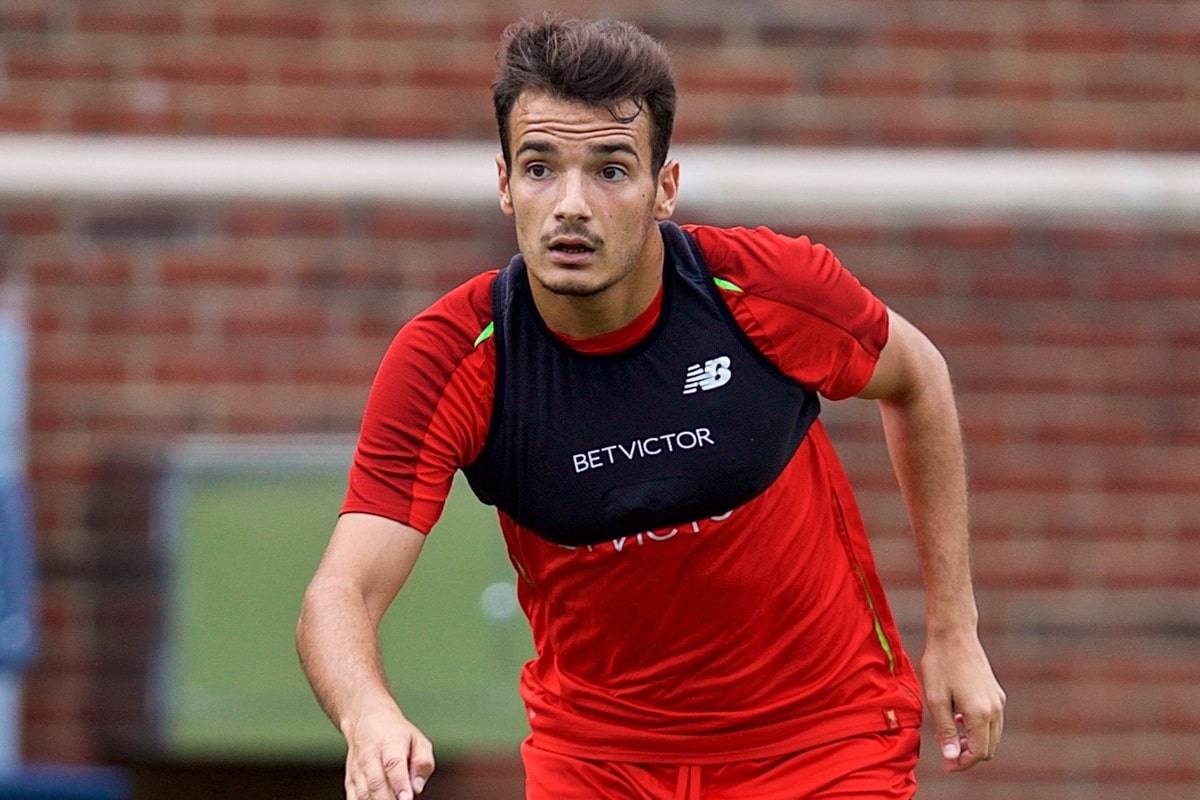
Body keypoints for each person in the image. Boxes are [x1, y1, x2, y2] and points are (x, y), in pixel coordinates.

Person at [296, 16, 1005, 800]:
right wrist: (368, 714)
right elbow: (341, 592)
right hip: (597, 762)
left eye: (610, 171)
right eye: (540, 169)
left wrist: (954, 628)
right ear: (504, 184)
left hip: (821, 740)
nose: (570, 204)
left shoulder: (765, 290)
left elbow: (918, 378)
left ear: (663, 188)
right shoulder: (453, 361)